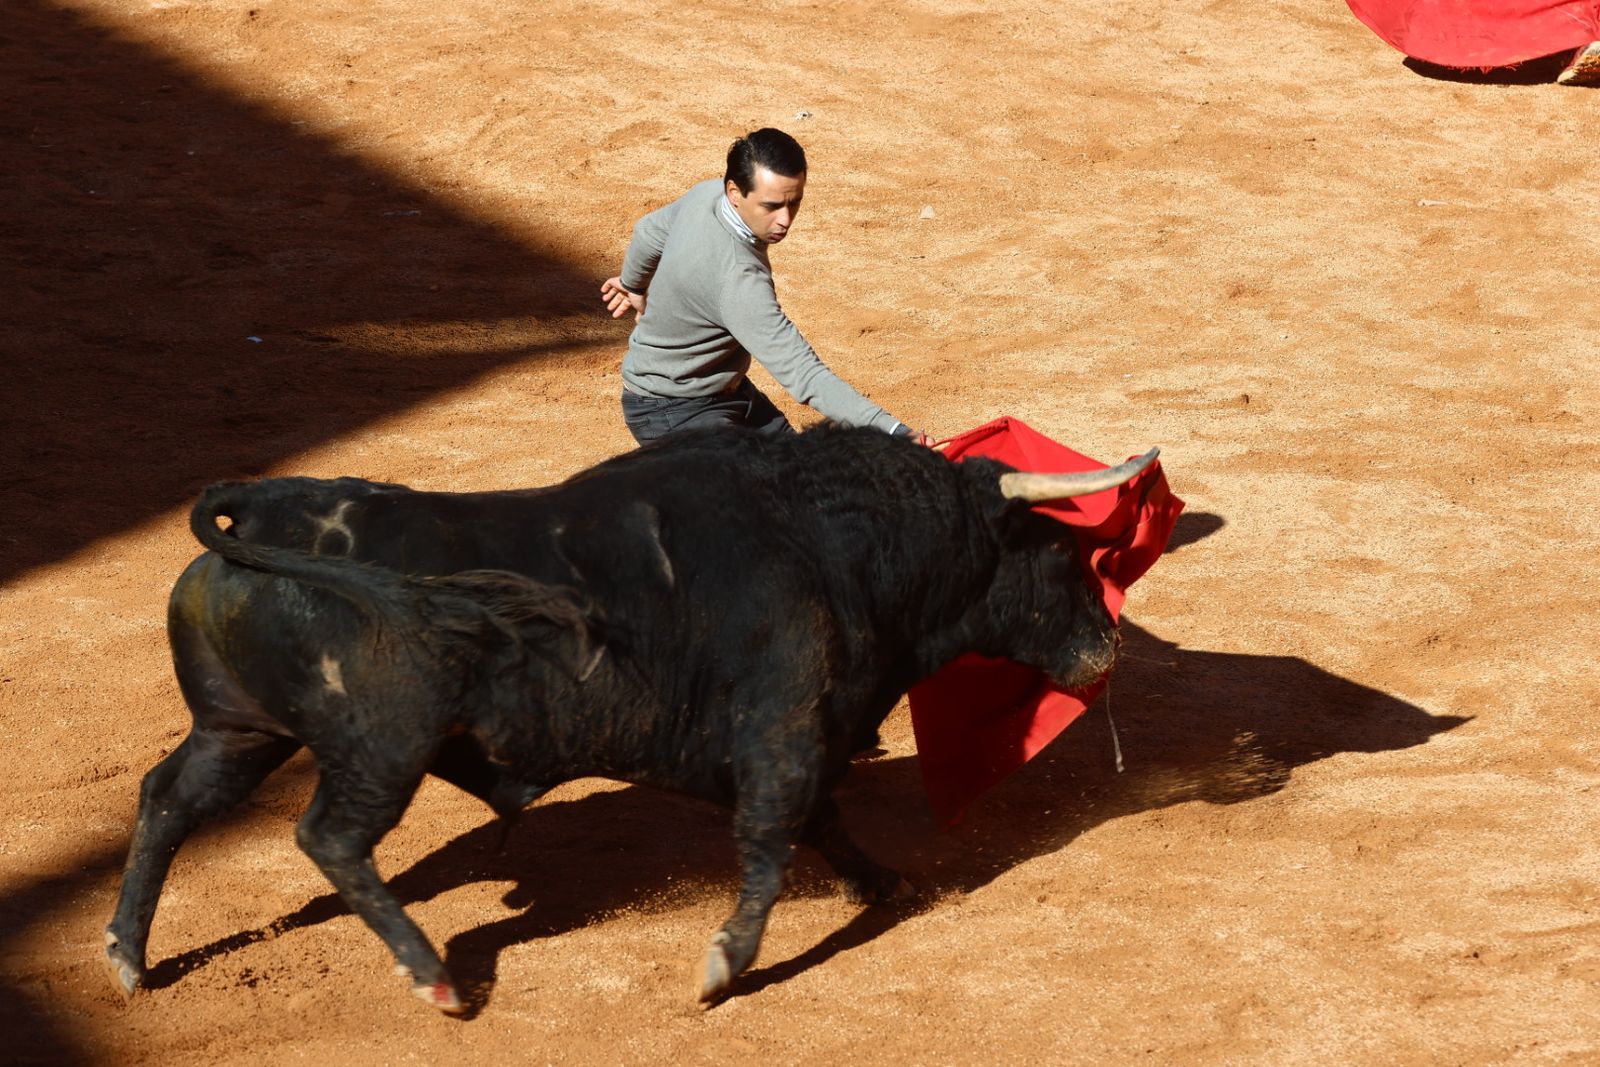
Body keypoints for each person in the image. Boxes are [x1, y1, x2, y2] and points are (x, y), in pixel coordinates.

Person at [601, 128, 930, 446]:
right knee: (761, 496)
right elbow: (804, 374)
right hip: (673, 411)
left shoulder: (706, 194)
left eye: (794, 203)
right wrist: (894, 433)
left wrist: (634, 284)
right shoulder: (739, 280)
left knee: (800, 476)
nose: (785, 220)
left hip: (724, 391)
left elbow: (648, 233)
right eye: (771, 206)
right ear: (735, 193)